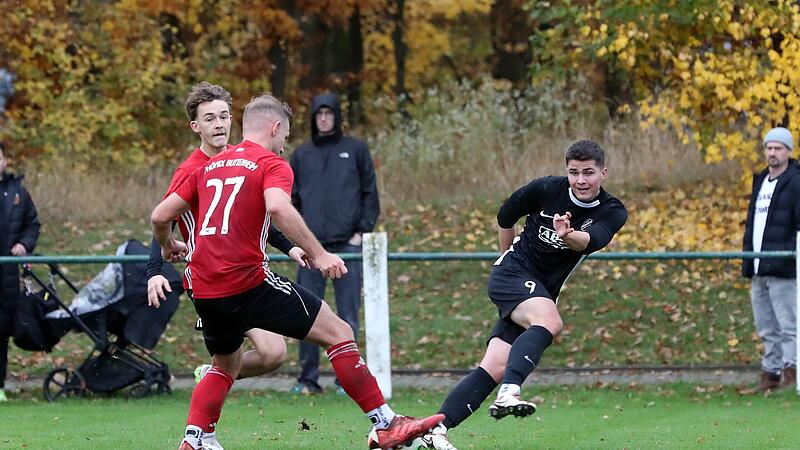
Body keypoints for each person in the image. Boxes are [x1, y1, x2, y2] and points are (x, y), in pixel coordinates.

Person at [151, 94, 443, 450]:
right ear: (275, 128)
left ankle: (196, 439)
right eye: (285, 137)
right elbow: (278, 207)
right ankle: (386, 424)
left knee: (225, 364)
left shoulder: (208, 167)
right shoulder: (270, 163)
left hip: (205, 290)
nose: (284, 145)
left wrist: (167, 246)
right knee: (339, 332)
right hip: (247, 281)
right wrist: (321, 254)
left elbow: (160, 216)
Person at [419, 140, 627, 450]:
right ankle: (510, 392)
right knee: (550, 323)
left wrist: (568, 235)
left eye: (588, 173)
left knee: (494, 367)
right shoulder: (545, 189)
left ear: (603, 173)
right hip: (512, 275)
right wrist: (507, 258)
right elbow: (506, 215)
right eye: (574, 172)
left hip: (539, 291)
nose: (581, 180)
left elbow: (591, 239)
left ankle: (435, 430)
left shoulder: (612, 210)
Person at [146, 81, 305, 449]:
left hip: (243, 274)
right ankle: (204, 420)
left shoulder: (240, 158)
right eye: (209, 119)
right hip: (212, 280)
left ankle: (211, 389)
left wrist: (290, 247)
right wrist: (155, 270)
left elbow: (251, 217)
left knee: (273, 354)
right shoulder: (190, 170)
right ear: (195, 126)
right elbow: (162, 221)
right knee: (253, 356)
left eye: (224, 116)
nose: (219, 124)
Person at [289, 93, 380, 394]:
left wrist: (361, 232)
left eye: (329, 113)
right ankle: (307, 379)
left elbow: (370, 194)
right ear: (313, 118)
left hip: (347, 247)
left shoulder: (355, 150)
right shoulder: (302, 155)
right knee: (306, 314)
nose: (324, 118)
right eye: (319, 114)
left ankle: (347, 380)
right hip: (311, 250)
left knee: (347, 314)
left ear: (337, 116)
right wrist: (300, 240)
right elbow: (291, 201)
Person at [742, 126, 800, 392]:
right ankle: (771, 372)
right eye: (769, 148)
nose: (773, 153)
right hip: (758, 264)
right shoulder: (760, 181)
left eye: (778, 148)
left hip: (783, 266)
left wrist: (789, 254)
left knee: (788, 323)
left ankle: (792, 371)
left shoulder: (796, 181)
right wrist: (748, 259)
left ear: (789, 151)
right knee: (765, 325)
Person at [0, 141, 40, 402]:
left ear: (4, 161)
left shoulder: (18, 193)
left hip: (7, 275)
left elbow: (32, 225)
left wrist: (24, 244)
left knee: (1, 331)